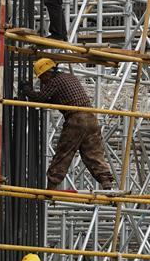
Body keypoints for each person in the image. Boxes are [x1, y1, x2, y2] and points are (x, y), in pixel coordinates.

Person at [20, 58, 114, 190]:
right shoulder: (69, 77)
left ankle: (52, 186)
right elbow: (56, 97)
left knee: (64, 152)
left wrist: (26, 90)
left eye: (41, 78)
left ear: (47, 73)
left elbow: (40, 97)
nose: (42, 81)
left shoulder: (54, 81)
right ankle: (106, 182)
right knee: (94, 153)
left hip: (77, 119)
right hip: (91, 118)